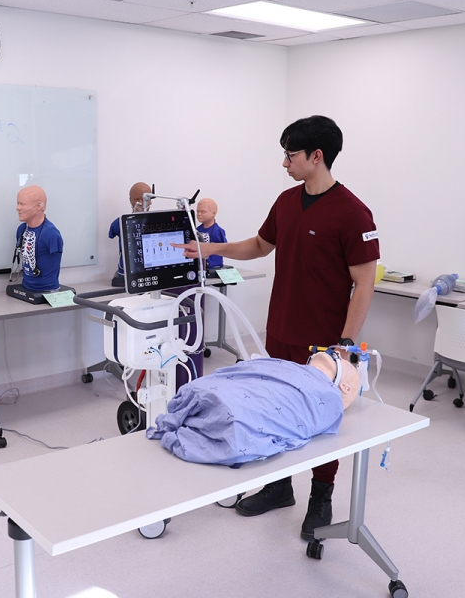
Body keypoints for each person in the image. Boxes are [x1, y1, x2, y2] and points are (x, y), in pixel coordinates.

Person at [174, 115, 379, 541]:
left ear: (316, 156)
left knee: (322, 416)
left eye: (290, 154)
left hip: (323, 340)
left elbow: (364, 283)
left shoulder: (353, 212)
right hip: (281, 327)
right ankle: (279, 484)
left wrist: (343, 344)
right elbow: (261, 245)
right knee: (275, 409)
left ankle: (321, 495)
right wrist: (212, 248)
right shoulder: (286, 201)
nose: (284, 162)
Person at [148, 352, 360, 466]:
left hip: (201, 392)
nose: (338, 355)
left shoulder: (323, 391)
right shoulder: (317, 386)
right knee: (239, 413)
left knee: (236, 407)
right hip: (229, 413)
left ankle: (190, 419)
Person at [15, 185, 63, 292]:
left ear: (39, 206)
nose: (18, 208)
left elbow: (54, 263)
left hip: (46, 289)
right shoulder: (21, 230)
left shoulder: (51, 234)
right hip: (26, 287)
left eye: (22, 204)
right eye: (18, 203)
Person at [109, 182, 151, 287]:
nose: (141, 203)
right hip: (125, 271)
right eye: (137, 199)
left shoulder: (157, 222)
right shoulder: (118, 223)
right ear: (130, 200)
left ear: (151, 200)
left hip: (149, 269)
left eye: (145, 199)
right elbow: (111, 234)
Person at [195, 198, 227, 269]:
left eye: (203, 212)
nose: (199, 214)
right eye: (198, 211)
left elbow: (225, 248)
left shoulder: (218, 231)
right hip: (201, 266)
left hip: (214, 266)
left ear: (213, 213)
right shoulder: (197, 230)